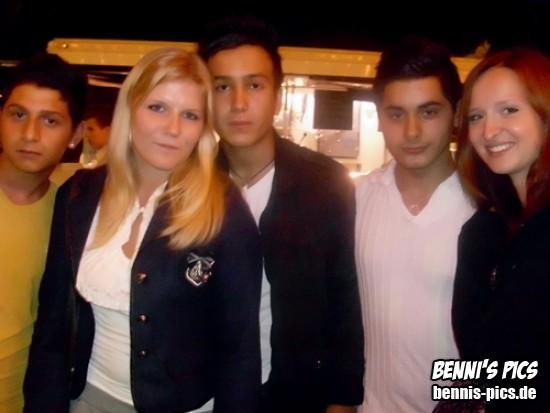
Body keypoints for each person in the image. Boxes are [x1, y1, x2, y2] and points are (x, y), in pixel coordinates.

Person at [23, 47, 262, 413]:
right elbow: (53, 324)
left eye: (190, 115)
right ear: (130, 108)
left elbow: (240, 347)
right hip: (86, 397)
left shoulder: (225, 209)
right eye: (158, 107)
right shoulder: (78, 194)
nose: (173, 129)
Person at [198, 14, 365, 413]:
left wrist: (343, 399)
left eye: (254, 85)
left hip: (296, 393)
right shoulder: (188, 185)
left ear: (277, 97)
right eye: (222, 87)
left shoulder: (323, 183)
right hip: (206, 393)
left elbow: (344, 297)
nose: (239, 104)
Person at [354, 36, 475, 413]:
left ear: (456, 114)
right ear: (379, 118)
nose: (411, 131)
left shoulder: (485, 210)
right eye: (396, 114)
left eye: (428, 112)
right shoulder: (355, 201)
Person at [448, 46, 550, 413]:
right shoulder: (482, 232)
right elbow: (477, 365)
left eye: (509, 110)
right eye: (476, 117)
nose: (489, 131)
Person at [0, 52, 87, 412]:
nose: (30, 134)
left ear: (75, 134)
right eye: (18, 115)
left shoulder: (71, 216)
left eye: (50, 121)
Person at [80, 103, 113, 168]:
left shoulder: (111, 159)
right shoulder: (100, 157)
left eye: (91, 129)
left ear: (108, 130)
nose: (86, 135)